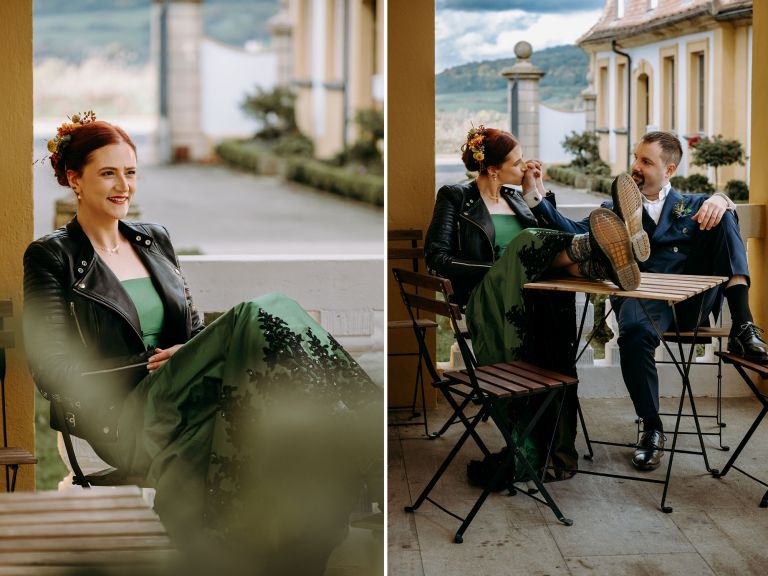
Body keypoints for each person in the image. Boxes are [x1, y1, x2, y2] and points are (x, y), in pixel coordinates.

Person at [24, 112, 382, 575]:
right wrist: (157, 361)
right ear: (74, 178)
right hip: (127, 412)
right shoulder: (52, 256)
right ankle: (368, 426)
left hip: (191, 389)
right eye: (108, 173)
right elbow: (49, 368)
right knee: (259, 311)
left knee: (287, 397)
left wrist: (188, 353)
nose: (123, 186)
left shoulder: (153, 239)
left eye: (131, 172)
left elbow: (192, 331)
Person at [530, 130, 768, 471]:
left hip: (690, 301)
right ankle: (652, 428)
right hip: (643, 297)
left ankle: (743, 325)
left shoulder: (694, 205)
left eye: (645, 161)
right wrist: (537, 196)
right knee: (634, 334)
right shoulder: (612, 210)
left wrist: (721, 199)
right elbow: (570, 230)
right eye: (635, 158)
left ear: (669, 170)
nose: (635, 167)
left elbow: (721, 222)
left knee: (723, 215)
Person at [424, 125, 645, 479]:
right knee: (527, 242)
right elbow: (437, 258)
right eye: (517, 162)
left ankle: (597, 262)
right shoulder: (455, 197)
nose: (525, 165)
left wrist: (537, 193)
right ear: (492, 168)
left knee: (551, 254)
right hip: (488, 297)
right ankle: (597, 250)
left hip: (535, 298)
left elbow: (555, 240)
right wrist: (505, 270)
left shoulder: (517, 199)